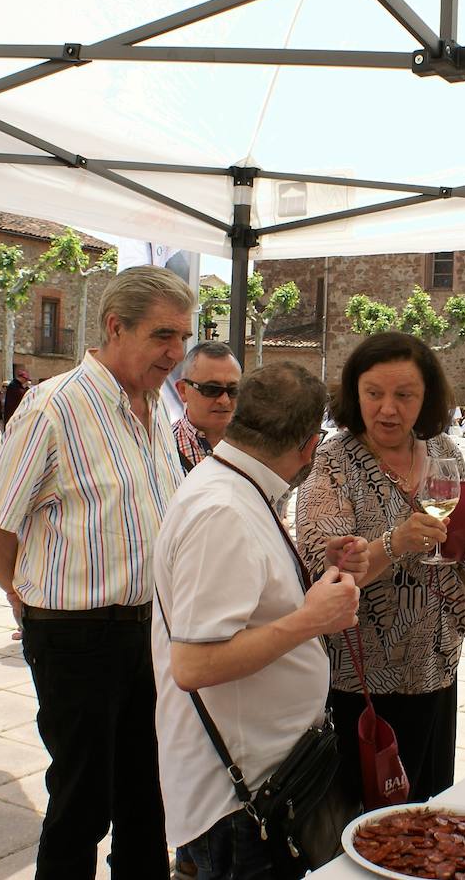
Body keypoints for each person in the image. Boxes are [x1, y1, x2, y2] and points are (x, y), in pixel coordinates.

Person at [0, 266, 195, 879]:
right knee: (82, 801)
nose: (177, 353)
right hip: (77, 637)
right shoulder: (55, 407)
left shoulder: (152, 410)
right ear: (115, 326)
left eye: (183, 337)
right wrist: (24, 599)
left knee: (148, 798)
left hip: (150, 633)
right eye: (163, 336)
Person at [152, 363, 367, 880]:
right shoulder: (222, 510)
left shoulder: (238, 484)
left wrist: (312, 573)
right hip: (239, 796)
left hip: (270, 771)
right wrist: (310, 621)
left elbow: (249, 597)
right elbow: (194, 664)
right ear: (310, 445)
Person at [296, 331, 465, 804]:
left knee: (429, 806)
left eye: (404, 395)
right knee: (370, 820)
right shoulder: (332, 463)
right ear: (354, 394)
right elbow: (324, 574)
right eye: (374, 394)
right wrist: (394, 542)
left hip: (438, 664)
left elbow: (456, 537)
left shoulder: (445, 451)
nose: (388, 409)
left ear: (426, 397)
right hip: (363, 679)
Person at [172, 341, 241, 473]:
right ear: (183, 390)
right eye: (211, 389)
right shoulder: (163, 448)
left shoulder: (257, 449)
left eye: (233, 390)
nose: (224, 400)